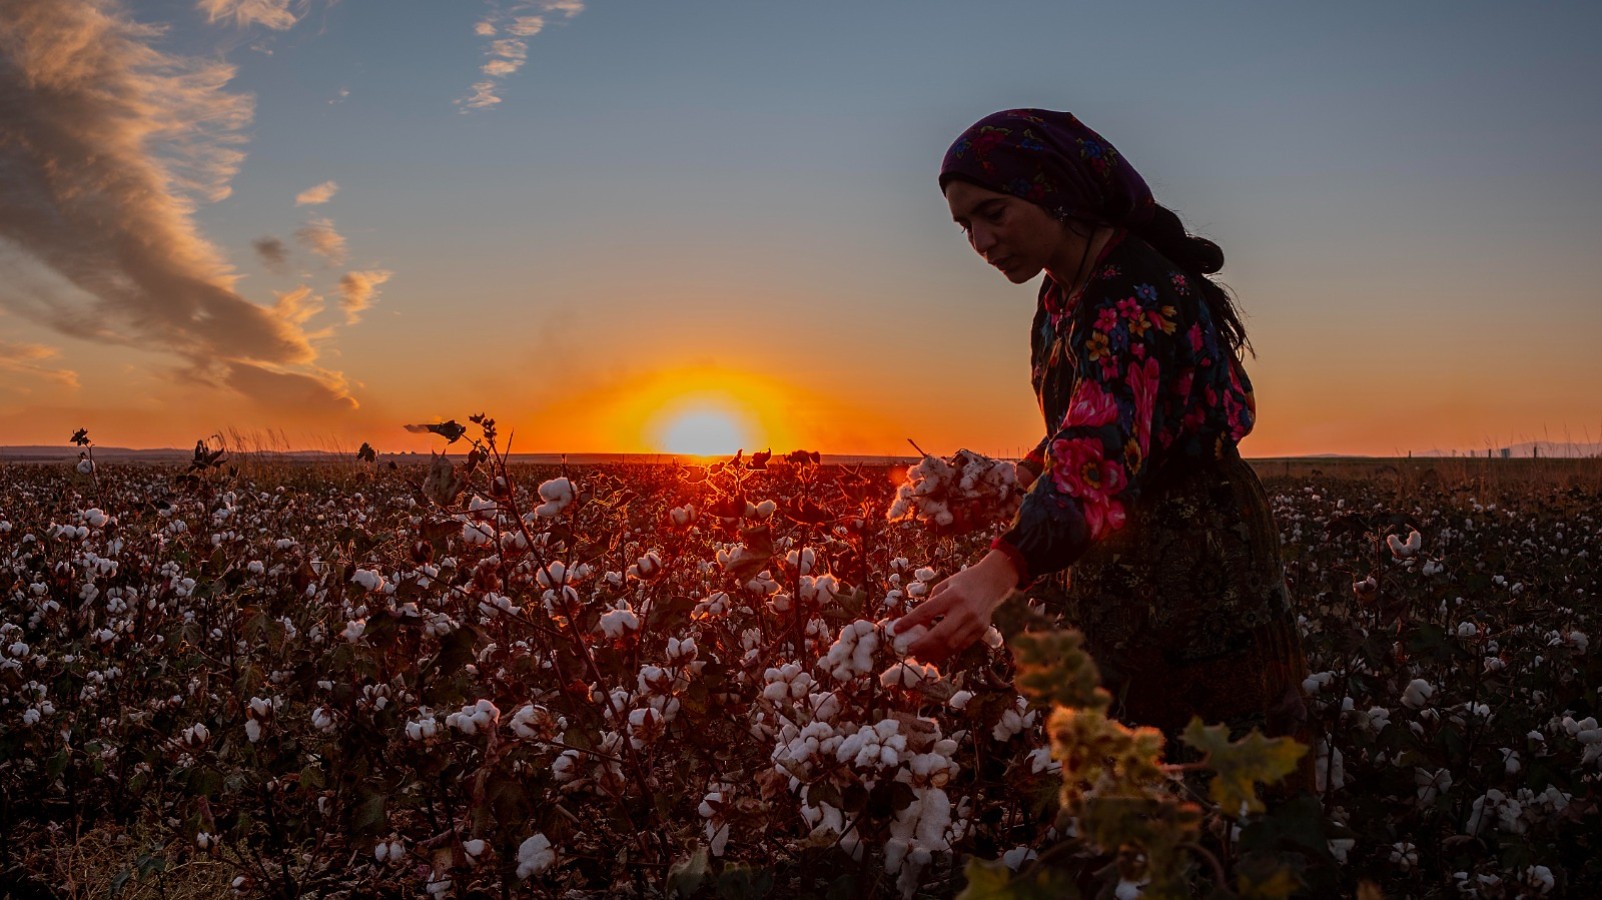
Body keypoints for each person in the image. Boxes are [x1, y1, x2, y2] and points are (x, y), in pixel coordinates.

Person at [893, 109, 1311, 749]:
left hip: (1198, 569)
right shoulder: (1063, 292)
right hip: (1122, 562)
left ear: (1052, 191)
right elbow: (1092, 418)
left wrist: (1000, 571)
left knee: (1221, 780)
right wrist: (1027, 472)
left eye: (994, 212)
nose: (980, 240)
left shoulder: (1131, 291)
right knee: (1137, 779)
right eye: (964, 225)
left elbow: (1105, 456)